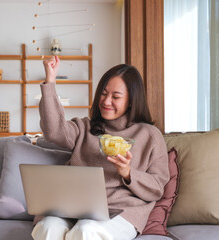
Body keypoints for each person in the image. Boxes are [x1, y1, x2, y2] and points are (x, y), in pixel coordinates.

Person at [32, 56, 170, 240]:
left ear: (131, 101)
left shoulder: (150, 135)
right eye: (104, 94)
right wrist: (50, 80)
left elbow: (157, 187)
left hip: (121, 212)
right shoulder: (85, 127)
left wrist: (128, 172)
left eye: (116, 97)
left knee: (86, 230)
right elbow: (54, 131)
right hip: (74, 208)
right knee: (48, 226)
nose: (106, 101)